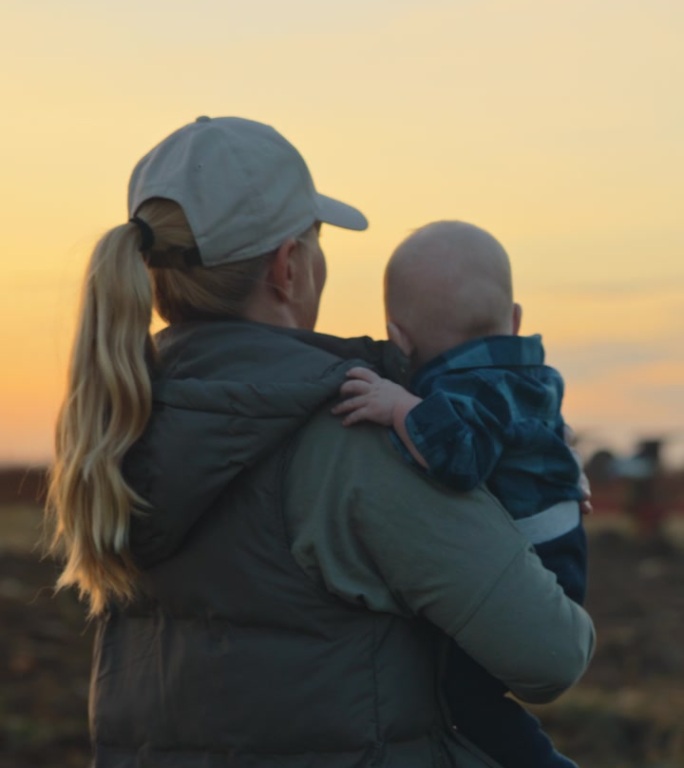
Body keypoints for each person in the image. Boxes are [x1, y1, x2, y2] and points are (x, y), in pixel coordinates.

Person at [45, 116, 594, 768]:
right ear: (289, 268)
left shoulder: (116, 434)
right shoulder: (352, 439)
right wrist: (532, 489)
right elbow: (551, 654)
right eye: (316, 239)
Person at [333, 220, 587, 768]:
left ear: (399, 340)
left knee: (466, 698)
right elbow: (550, 442)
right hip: (560, 546)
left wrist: (400, 405)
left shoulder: (464, 392)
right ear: (515, 318)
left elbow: (458, 460)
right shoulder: (529, 374)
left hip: (535, 558)